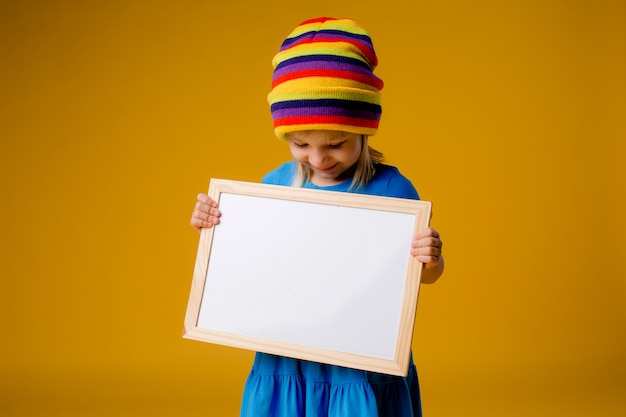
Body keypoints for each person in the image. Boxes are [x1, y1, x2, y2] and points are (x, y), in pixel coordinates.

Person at [190, 17, 444, 417]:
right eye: (301, 144)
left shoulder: (393, 192)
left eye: (336, 143)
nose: (318, 158)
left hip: (359, 365)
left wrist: (432, 259)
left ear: (365, 132)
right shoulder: (274, 187)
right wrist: (214, 225)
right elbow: (248, 263)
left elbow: (419, 278)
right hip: (285, 357)